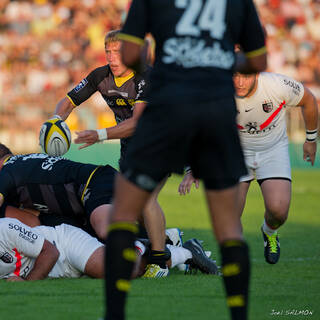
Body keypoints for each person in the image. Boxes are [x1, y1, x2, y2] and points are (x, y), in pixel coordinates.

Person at [103, 1, 267, 320]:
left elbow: (132, 56)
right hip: (216, 111)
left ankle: (114, 314)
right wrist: (219, 59)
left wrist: (156, 55)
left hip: (167, 109)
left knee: (123, 212)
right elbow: (257, 60)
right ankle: (239, 315)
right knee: (228, 226)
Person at [48, 30, 168, 276]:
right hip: (130, 149)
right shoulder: (100, 76)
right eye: (108, 52)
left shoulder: (146, 77)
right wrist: (55, 120)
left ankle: (160, 262)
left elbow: (138, 123)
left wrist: (99, 135)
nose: (112, 58)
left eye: (119, 53)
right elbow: (69, 100)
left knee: (144, 199)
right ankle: (173, 246)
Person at [179, 72, 318, 265]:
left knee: (278, 211)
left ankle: (269, 232)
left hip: (272, 151)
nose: (239, 81)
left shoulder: (277, 85)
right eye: (234, 75)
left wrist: (311, 139)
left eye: (246, 76)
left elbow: (309, 100)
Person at [0, 216, 219, 281]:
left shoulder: (5, 228)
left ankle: (138, 245)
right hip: (60, 271)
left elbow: (51, 252)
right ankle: (185, 250)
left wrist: (26, 284)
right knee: (138, 271)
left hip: (64, 244)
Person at [0, 143, 116, 241]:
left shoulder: (7, 171)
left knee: (106, 231)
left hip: (94, 182)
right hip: (96, 184)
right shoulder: (20, 164)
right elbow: (33, 222)